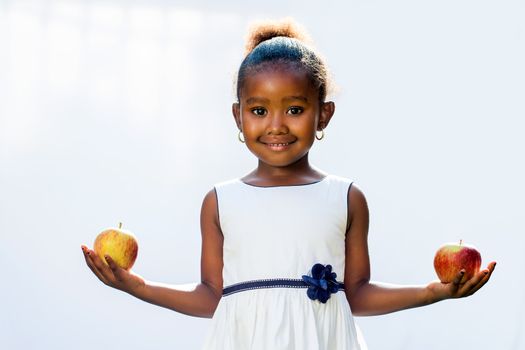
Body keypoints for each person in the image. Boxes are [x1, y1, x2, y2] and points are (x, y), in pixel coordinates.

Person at [81, 18, 496, 350]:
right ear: (237, 116)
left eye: (295, 108)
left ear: (324, 115)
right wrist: (135, 286)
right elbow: (212, 297)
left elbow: (357, 294)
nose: (276, 125)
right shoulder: (220, 202)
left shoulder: (346, 198)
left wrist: (433, 292)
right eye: (258, 110)